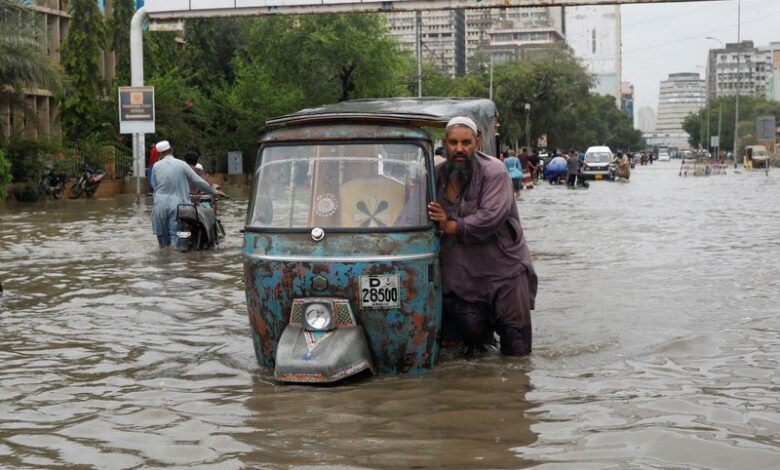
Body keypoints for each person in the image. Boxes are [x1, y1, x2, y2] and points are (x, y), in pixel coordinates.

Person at [427, 116, 537, 356]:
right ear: (444, 144)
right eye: (453, 143)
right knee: (474, 352)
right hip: (462, 280)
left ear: (477, 143)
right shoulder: (435, 176)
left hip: (503, 275)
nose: (459, 149)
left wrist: (450, 226)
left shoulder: (494, 171)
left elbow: (491, 217)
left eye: (466, 142)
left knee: (516, 351)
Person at [150, 140, 222, 248]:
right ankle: (176, 261)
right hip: (178, 205)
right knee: (175, 237)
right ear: (171, 150)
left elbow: (153, 185)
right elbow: (197, 180)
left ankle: (163, 259)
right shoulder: (182, 164)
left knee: (162, 240)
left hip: (159, 205)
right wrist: (214, 191)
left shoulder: (156, 166)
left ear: (160, 154)